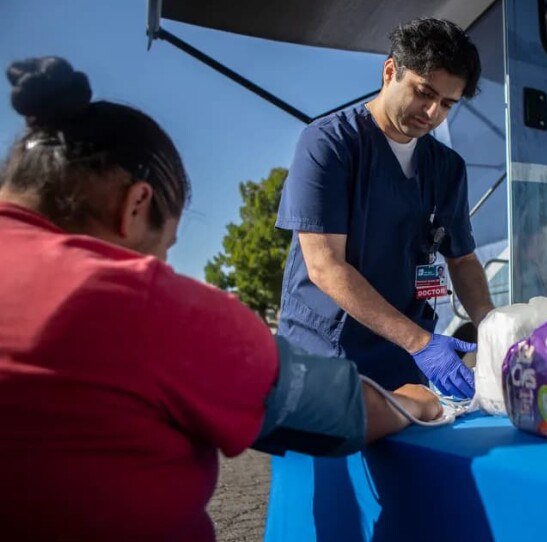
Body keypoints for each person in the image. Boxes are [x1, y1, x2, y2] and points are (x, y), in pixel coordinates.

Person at [0, 56, 441, 542]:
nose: (161, 267)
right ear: (135, 207)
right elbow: (333, 412)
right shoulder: (148, 306)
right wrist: (414, 401)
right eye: (162, 249)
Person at [275, 18, 495, 398]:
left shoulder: (447, 168)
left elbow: (462, 261)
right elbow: (325, 265)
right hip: (326, 357)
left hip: (404, 363)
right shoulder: (329, 143)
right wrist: (421, 343)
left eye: (446, 104)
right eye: (423, 93)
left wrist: (495, 331)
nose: (431, 113)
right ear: (391, 70)